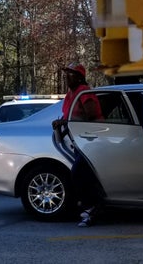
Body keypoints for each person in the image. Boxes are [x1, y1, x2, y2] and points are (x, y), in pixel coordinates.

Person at [52, 62, 104, 227]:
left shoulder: (83, 92)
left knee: (79, 174)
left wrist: (66, 121)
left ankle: (92, 208)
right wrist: (61, 122)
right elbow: (68, 115)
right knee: (82, 174)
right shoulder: (71, 94)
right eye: (66, 73)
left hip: (91, 139)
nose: (67, 76)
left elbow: (90, 115)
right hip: (79, 142)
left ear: (80, 77)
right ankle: (89, 207)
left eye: (71, 73)